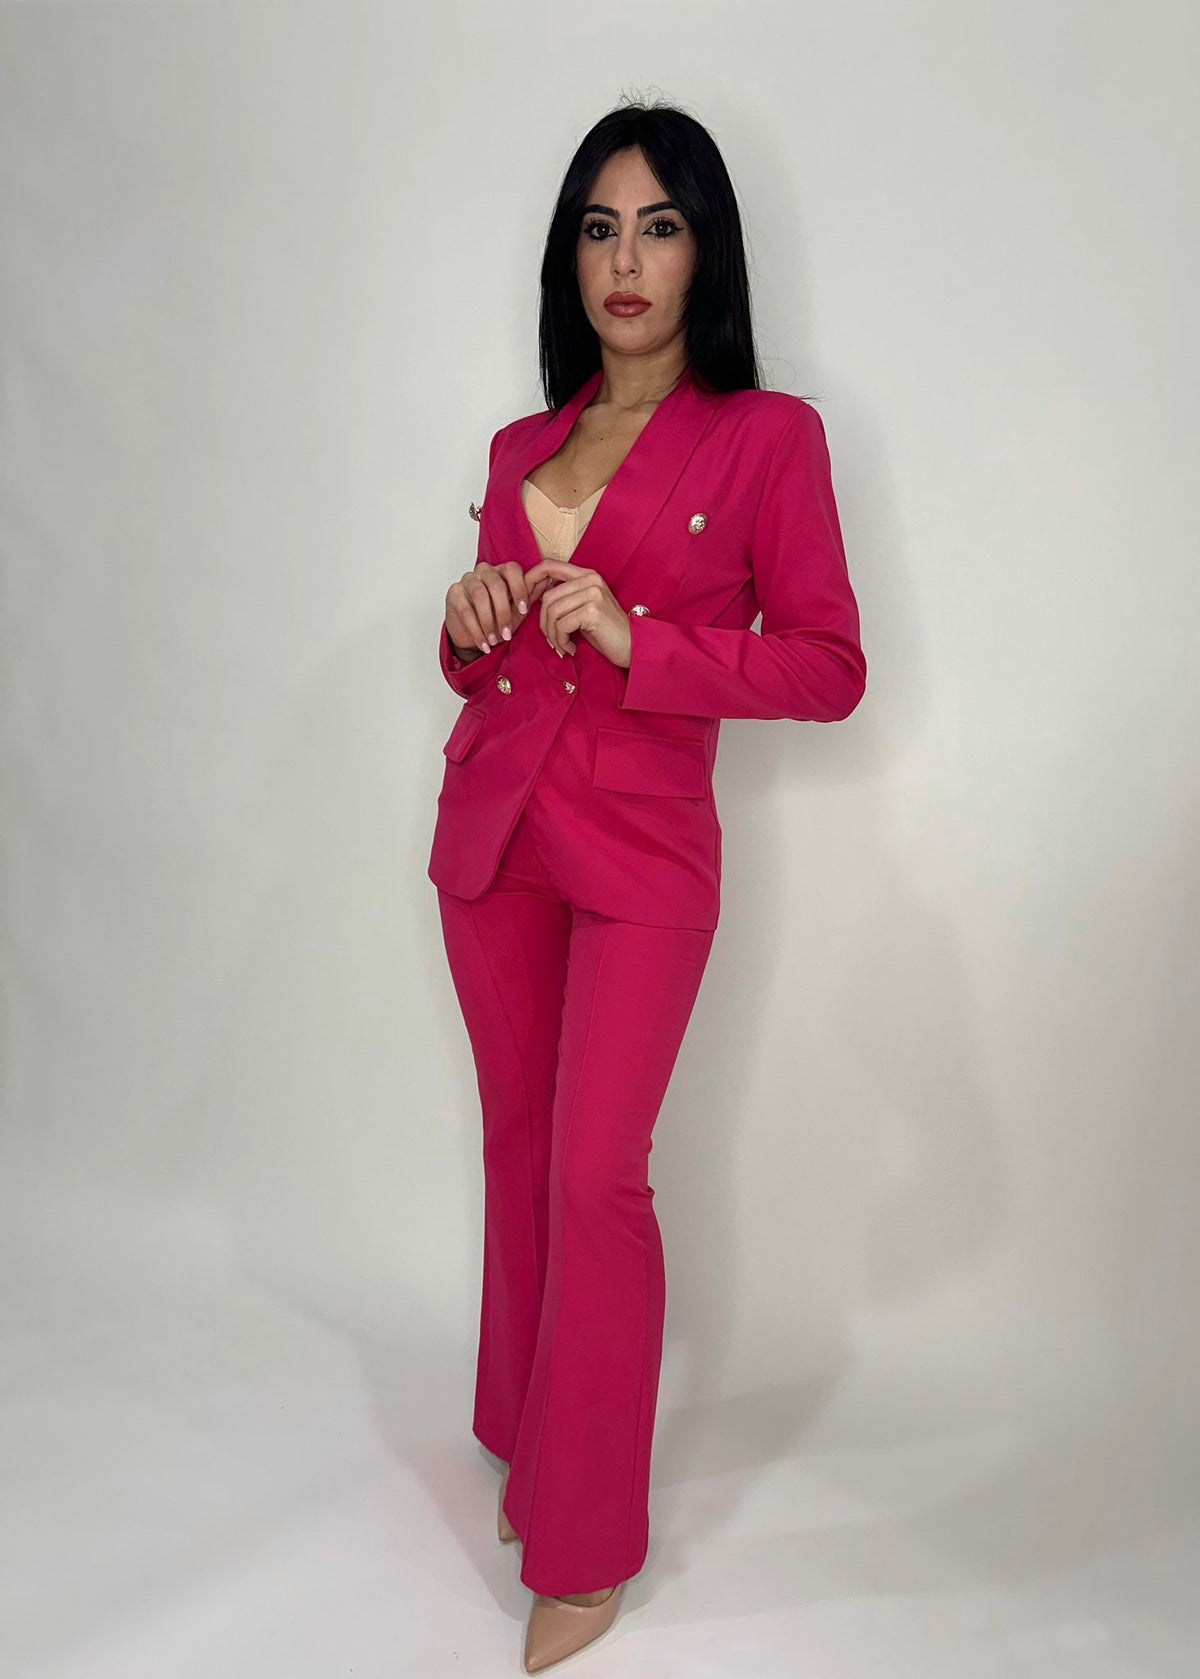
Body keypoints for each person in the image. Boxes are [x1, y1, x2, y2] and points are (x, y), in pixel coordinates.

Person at [428, 98, 867, 1673]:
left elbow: (827, 667)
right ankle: (523, 1436)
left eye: (660, 228)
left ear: (704, 255)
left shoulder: (767, 439)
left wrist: (642, 639)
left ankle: (588, 1539)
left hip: (644, 856)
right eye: (601, 228)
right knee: (522, 1146)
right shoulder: (520, 448)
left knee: (598, 1172)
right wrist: (469, 617)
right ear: (573, 257)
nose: (627, 260)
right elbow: (486, 665)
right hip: (494, 843)